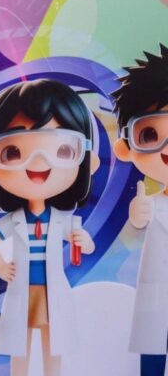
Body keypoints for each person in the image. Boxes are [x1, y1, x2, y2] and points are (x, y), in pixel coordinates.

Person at [0, 78, 99, 376]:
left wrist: (84, 241)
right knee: (23, 348)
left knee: (53, 345)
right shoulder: (14, 220)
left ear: (86, 160)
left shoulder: (61, 220)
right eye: (13, 152)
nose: (38, 163)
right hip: (24, 291)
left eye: (62, 150)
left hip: (51, 291)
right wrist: (1, 267)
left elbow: (84, 245)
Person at [111, 44, 168, 376]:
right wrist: (137, 216)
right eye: (150, 134)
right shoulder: (149, 203)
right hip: (156, 295)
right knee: (153, 350)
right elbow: (133, 230)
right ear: (125, 147)